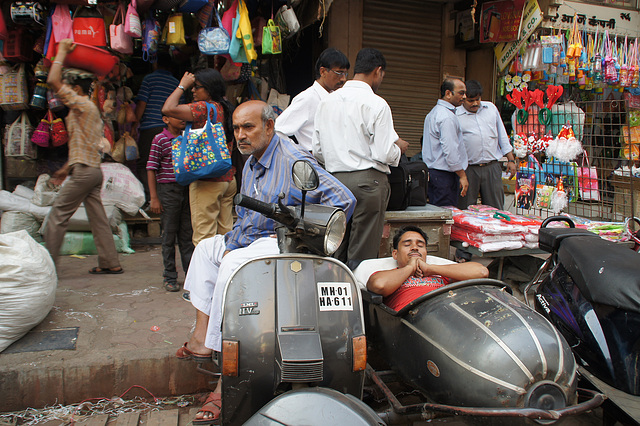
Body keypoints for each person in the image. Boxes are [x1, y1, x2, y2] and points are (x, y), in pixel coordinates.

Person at [176, 100, 356, 424]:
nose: (241, 135)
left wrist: (310, 236)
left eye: (249, 127)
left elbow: (344, 199)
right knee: (205, 250)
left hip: (277, 243)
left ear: (269, 127)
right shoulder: (250, 162)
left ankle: (221, 368)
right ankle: (203, 339)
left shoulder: (292, 158)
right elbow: (243, 215)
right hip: (247, 239)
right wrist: (230, 243)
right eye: (236, 128)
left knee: (232, 267)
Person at [313, 47, 409, 267]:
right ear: (378, 71)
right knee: (362, 250)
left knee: (336, 243)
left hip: (334, 181)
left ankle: (334, 288)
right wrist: (399, 150)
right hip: (368, 182)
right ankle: (359, 294)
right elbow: (384, 152)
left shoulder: (326, 102)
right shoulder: (377, 103)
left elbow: (317, 150)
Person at [44, 39, 123, 274]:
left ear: (75, 89)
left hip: (85, 172)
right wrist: (66, 168)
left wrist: (61, 53)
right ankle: (110, 262)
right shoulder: (89, 110)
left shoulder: (80, 105)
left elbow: (52, 80)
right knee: (98, 219)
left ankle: (46, 267)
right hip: (91, 171)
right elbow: (84, 145)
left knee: (58, 215)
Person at [162, 69, 236, 247]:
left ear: (209, 89)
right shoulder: (224, 108)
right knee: (225, 234)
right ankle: (224, 273)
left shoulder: (202, 108)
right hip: (227, 179)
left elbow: (168, 109)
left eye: (197, 87)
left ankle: (207, 275)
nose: (192, 91)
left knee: (204, 239)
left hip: (206, 179)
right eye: (191, 87)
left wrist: (182, 85)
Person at [366, 226, 488, 311]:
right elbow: (378, 285)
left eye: (420, 245)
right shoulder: (390, 275)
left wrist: (431, 269)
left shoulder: (442, 274)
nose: (415, 248)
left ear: (426, 253)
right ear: (395, 254)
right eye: (407, 245)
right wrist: (410, 268)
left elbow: (481, 272)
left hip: (449, 312)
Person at [147, 115, 194, 292]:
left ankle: (190, 276)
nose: (183, 119)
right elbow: (151, 168)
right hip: (168, 192)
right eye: (176, 116)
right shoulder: (160, 139)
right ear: (166, 119)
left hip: (185, 190)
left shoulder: (187, 137)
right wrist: (154, 197)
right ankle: (169, 276)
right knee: (169, 235)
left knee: (186, 235)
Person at [456, 80, 516, 210]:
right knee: (466, 208)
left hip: (492, 167)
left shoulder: (491, 108)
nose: (475, 103)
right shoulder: (456, 114)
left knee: (496, 208)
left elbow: (502, 136)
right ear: (463, 99)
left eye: (477, 99)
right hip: (468, 169)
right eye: (471, 101)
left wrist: (511, 160)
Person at [275, 48, 350, 151]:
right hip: (314, 160)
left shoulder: (336, 97)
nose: (343, 79)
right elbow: (278, 130)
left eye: (345, 74)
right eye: (339, 73)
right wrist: (298, 154)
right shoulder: (308, 98)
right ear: (323, 71)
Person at [134, 52, 181, 201]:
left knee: (146, 164)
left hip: (150, 127)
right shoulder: (176, 83)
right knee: (168, 163)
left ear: (155, 64)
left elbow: (142, 103)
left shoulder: (149, 79)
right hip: (172, 129)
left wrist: (136, 121)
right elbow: (180, 107)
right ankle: (165, 197)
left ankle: (150, 197)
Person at [422, 78, 469, 207]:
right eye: (461, 93)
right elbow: (451, 151)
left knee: (438, 213)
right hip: (444, 176)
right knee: (445, 215)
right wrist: (462, 175)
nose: (464, 97)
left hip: (435, 173)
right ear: (448, 93)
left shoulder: (435, 113)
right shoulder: (446, 117)